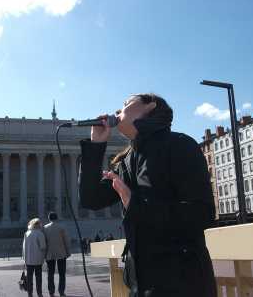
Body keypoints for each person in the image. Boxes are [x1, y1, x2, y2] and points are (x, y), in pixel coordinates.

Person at [79, 93, 217, 296]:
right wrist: (96, 146)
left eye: (126, 104)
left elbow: (202, 213)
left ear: (150, 106)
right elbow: (91, 199)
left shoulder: (180, 145)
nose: (118, 110)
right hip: (141, 285)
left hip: (183, 284)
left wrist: (134, 204)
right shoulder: (127, 162)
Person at [43, 212, 71, 297]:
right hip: (61, 252)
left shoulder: (45, 228)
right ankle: (61, 292)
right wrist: (68, 251)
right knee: (62, 274)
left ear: (49, 218)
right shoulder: (61, 227)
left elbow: (44, 242)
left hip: (49, 253)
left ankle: (51, 292)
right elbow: (66, 240)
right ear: (57, 218)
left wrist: (44, 254)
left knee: (50, 274)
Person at [22, 218, 46, 297]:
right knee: (38, 277)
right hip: (38, 259)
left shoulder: (27, 233)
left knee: (29, 278)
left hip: (28, 259)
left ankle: (30, 293)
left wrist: (24, 258)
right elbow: (43, 247)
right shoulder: (40, 233)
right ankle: (39, 293)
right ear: (39, 224)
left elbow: (23, 247)